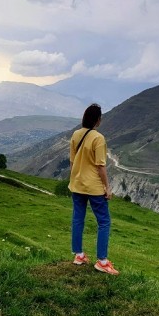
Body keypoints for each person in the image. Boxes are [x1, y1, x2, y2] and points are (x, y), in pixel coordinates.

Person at [68, 103, 119, 275]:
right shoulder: (98, 138)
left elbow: (72, 161)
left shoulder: (76, 134)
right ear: (98, 119)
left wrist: (76, 177)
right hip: (94, 186)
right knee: (104, 222)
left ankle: (79, 255)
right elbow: (100, 167)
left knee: (78, 219)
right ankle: (102, 261)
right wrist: (107, 188)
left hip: (77, 184)